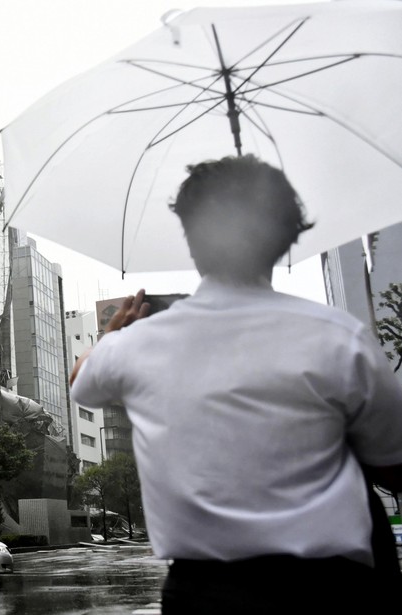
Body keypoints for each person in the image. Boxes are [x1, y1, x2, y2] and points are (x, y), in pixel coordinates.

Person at [69, 154, 402, 613]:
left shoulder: (136, 344)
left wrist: (110, 337)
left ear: (191, 238)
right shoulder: (340, 338)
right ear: (286, 236)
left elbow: (80, 383)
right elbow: (392, 463)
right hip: (333, 589)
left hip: (202, 593)